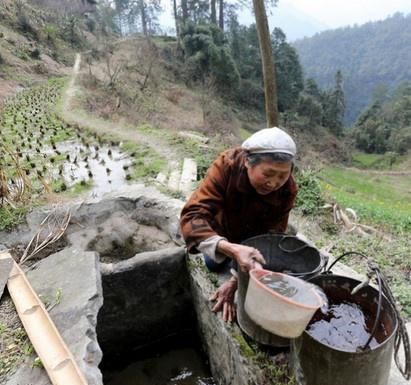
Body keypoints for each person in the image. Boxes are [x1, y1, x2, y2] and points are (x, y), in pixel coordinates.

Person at [180, 127, 298, 322]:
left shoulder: (287, 189)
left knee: (268, 267)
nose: (274, 183)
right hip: (224, 230)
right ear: (247, 162)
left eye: (282, 175)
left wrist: (235, 280)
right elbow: (192, 215)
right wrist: (229, 248)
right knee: (212, 263)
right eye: (268, 173)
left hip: (255, 236)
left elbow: (273, 234)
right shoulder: (226, 166)